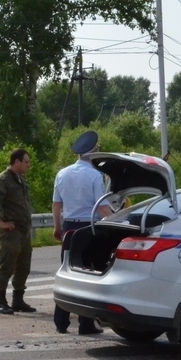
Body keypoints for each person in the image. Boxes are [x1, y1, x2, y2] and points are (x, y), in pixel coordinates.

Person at [52, 130, 112, 335]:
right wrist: (117, 217)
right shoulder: (95, 175)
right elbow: (102, 208)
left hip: (69, 226)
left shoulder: (62, 173)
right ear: (94, 152)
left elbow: (56, 204)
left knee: (66, 271)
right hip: (89, 228)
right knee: (87, 272)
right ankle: (85, 324)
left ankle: (60, 322)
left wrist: (57, 227)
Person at [0, 148, 35, 315]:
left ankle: (18, 300)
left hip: (22, 230)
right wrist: (1, 222)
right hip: (10, 232)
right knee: (7, 265)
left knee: (23, 267)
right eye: (26, 162)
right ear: (17, 162)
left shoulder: (21, 180)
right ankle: (1, 301)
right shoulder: (3, 180)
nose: (29, 165)